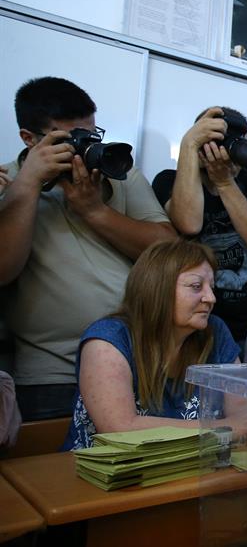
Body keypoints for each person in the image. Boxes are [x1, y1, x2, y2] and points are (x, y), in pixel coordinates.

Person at [0, 77, 175, 420]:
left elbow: (168, 252)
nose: (83, 149)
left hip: (137, 360)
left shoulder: (120, 175)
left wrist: (95, 211)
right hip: (53, 375)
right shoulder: (8, 182)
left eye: (91, 136)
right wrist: (29, 183)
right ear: (29, 138)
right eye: (68, 140)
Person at [62, 239, 247, 451]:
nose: (211, 298)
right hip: (103, 480)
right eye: (197, 286)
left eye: (211, 287)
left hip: (188, 472)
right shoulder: (107, 339)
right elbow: (119, 428)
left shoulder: (214, 331)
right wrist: (226, 428)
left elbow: (243, 409)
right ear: (157, 288)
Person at [152, 107, 247, 342]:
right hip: (195, 321)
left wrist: (225, 183)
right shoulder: (168, 180)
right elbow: (189, 224)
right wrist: (189, 146)